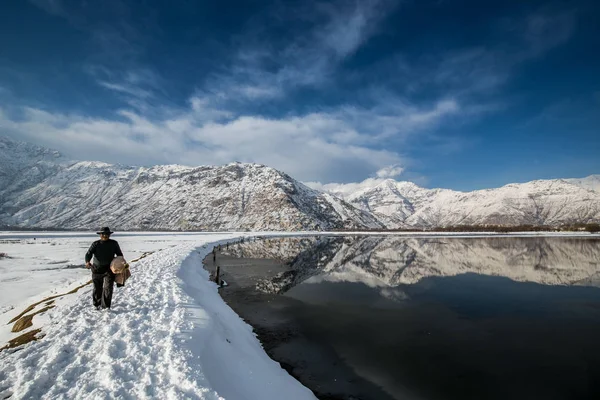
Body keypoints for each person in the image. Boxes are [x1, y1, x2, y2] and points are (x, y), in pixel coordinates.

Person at [85, 227, 124, 310]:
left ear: (109, 235)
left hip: (109, 269)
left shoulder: (114, 243)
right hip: (96, 269)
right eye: (103, 234)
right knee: (97, 288)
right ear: (100, 235)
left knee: (108, 288)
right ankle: (97, 305)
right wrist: (87, 262)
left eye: (107, 234)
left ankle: (106, 307)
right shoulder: (95, 244)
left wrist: (121, 264)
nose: (105, 235)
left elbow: (119, 254)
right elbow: (88, 254)